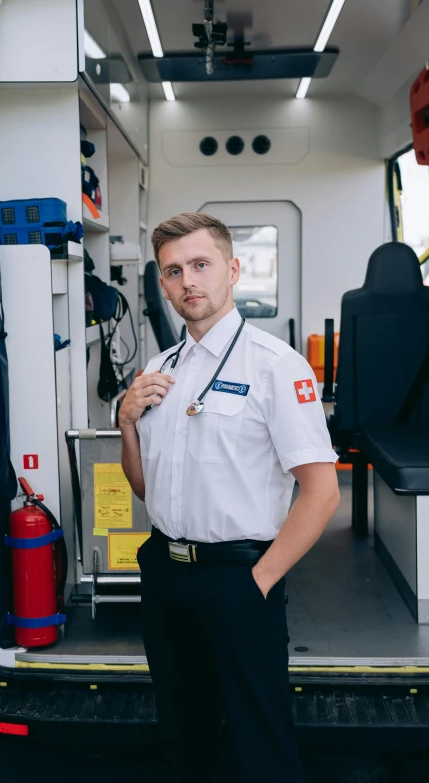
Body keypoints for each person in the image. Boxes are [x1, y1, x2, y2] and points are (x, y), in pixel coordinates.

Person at [119, 212, 340, 782]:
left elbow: (321, 492)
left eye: (200, 265)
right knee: (182, 731)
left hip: (239, 579)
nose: (188, 281)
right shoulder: (160, 371)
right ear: (162, 284)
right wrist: (126, 423)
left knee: (258, 738)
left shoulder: (275, 366)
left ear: (232, 270)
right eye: (173, 271)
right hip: (166, 573)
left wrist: (259, 582)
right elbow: (149, 489)